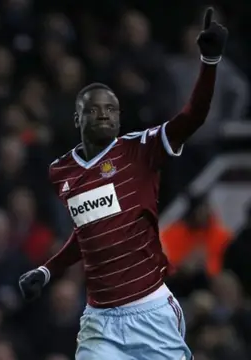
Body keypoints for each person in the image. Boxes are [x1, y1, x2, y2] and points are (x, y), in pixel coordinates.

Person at [18, 8, 228, 360]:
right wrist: (47, 269)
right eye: (95, 109)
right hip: (100, 320)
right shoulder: (62, 171)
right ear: (77, 118)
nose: (104, 114)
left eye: (112, 109)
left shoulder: (140, 149)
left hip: (151, 311)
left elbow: (192, 117)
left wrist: (209, 61)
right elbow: (87, 232)